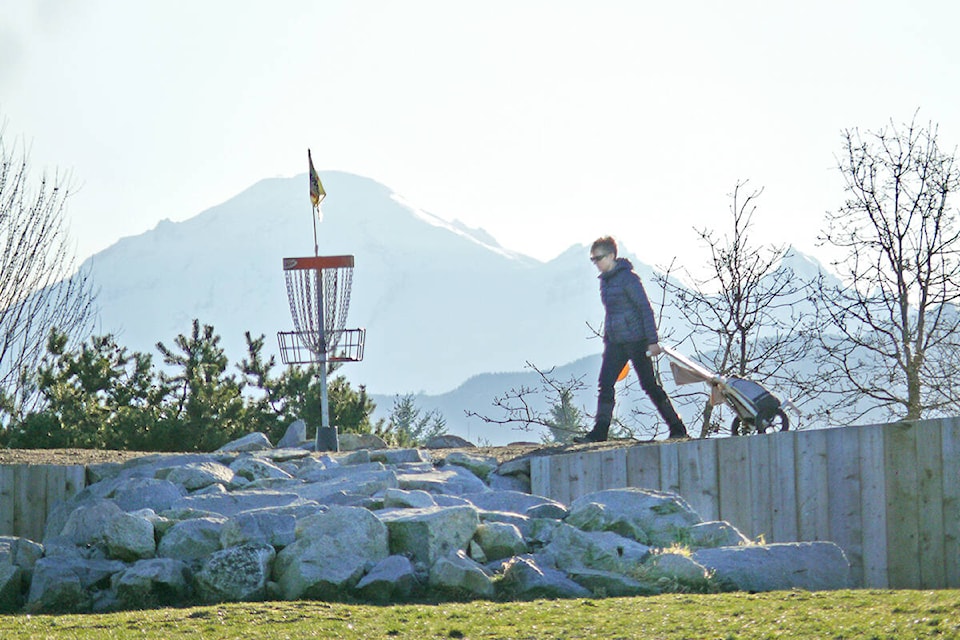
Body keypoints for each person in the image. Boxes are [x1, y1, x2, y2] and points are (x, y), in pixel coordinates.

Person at [575, 236, 688, 442]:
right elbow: (611, 313)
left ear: (611, 255)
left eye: (598, 258)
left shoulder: (629, 278)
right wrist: (607, 340)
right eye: (593, 259)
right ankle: (600, 432)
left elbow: (645, 308)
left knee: (648, 385)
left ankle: (677, 427)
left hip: (637, 341)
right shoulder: (606, 282)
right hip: (615, 342)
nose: (596, 263)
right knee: (605, 383)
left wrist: (652, 341)